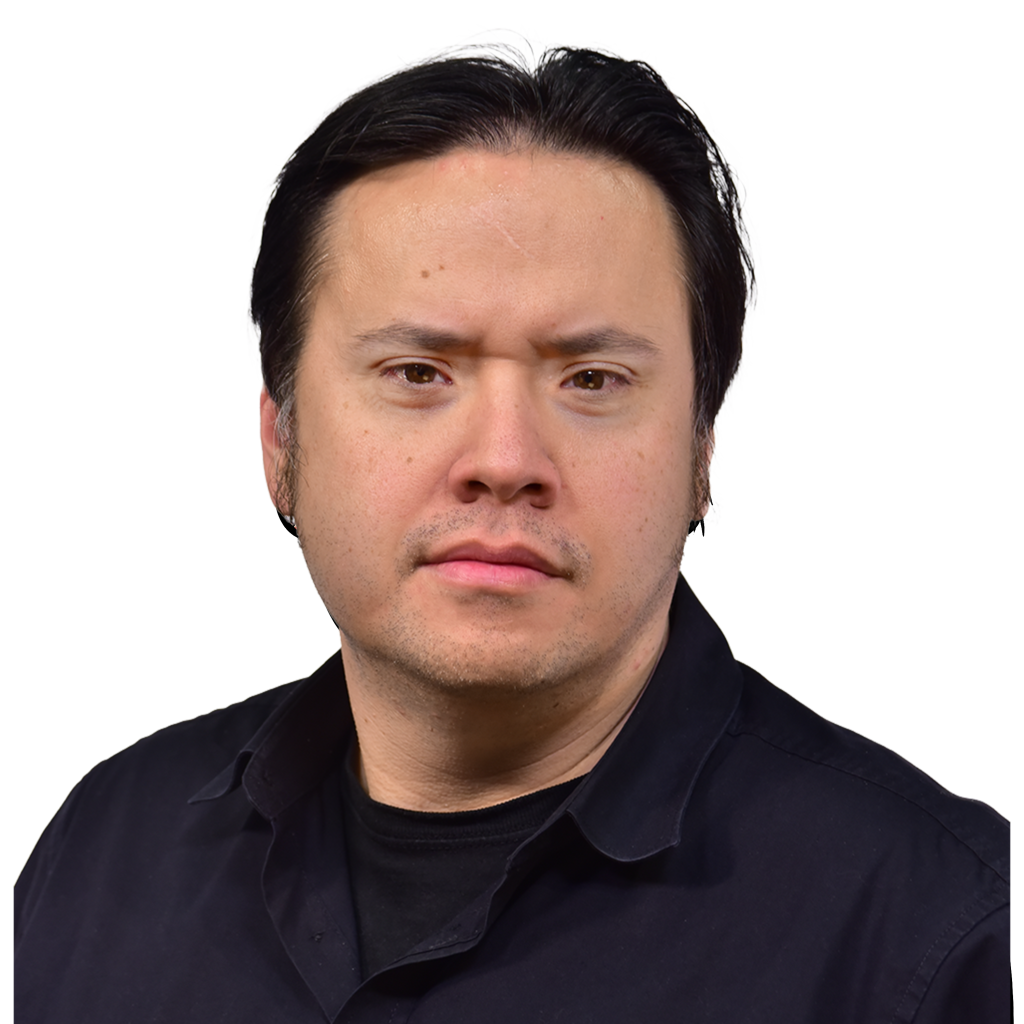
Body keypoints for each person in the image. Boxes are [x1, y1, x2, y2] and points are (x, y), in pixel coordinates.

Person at [14, 28, 1009, 1022]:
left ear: (702, 445)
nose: (503, 459)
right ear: (280, 438)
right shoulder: (104, 847)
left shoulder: (945, 936)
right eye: (418, 372)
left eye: (591, 380)